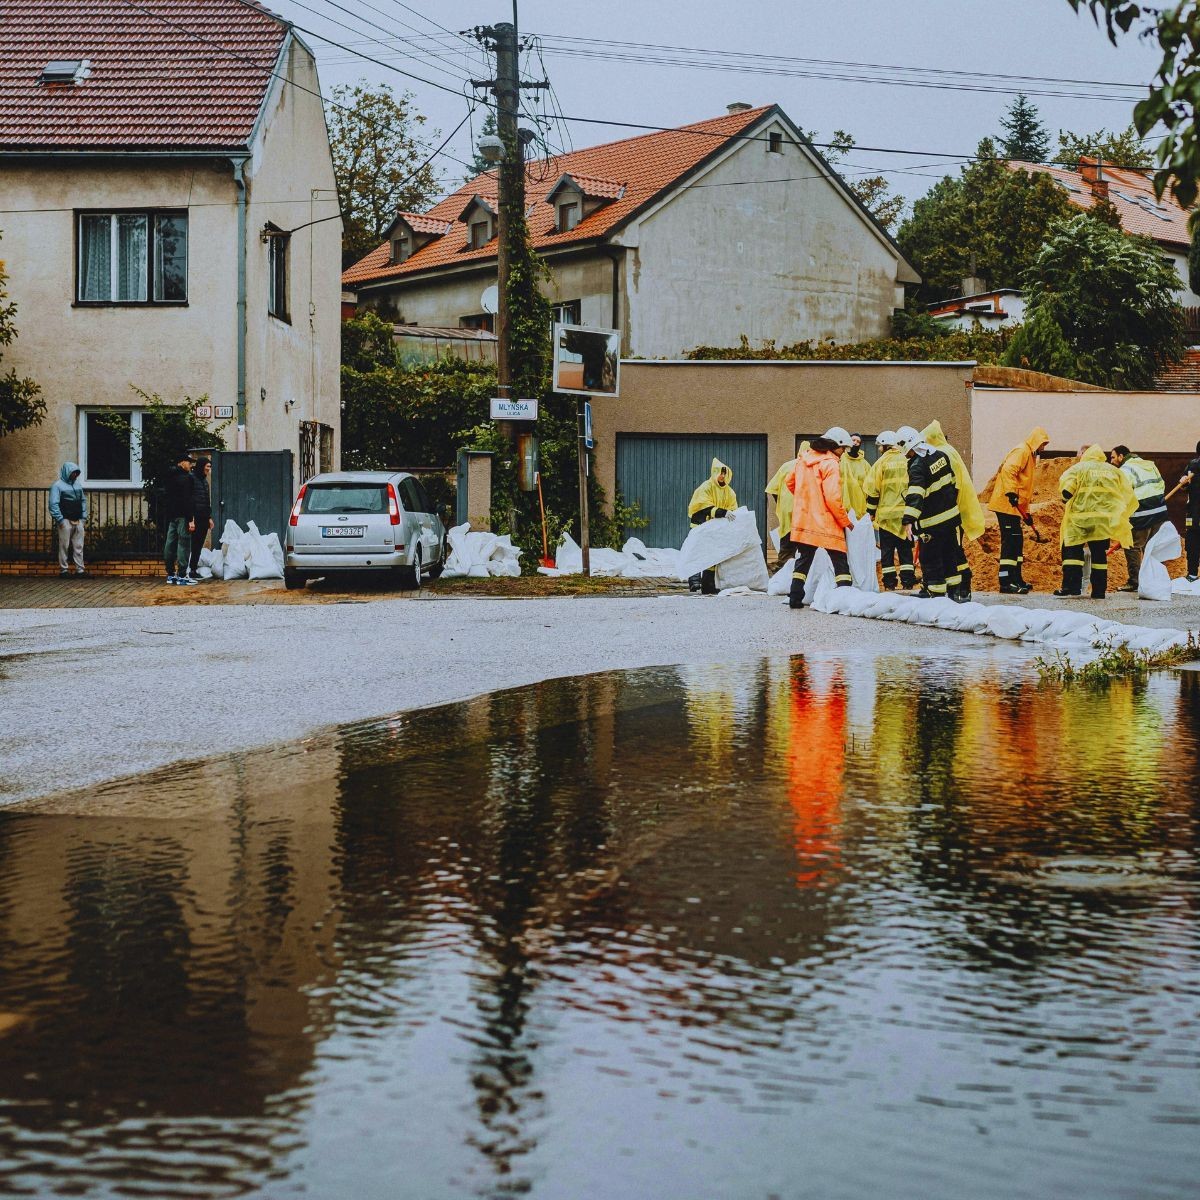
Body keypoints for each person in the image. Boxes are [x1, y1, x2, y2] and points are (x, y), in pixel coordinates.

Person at [786, 427, 855, 610]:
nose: (844, 452)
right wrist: (845, 521)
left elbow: (789, 482)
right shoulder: (830, 464)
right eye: (843, 448)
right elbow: (832, 498)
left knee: (803, 560)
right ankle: (845, 597)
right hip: (826, 522)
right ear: (835, 445)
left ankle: (795, 598)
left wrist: (806, 500)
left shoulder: (803, 459)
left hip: (805, 520)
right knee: (840, 561)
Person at [897, 425, 967, 602]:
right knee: (949, 555)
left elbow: (916, 494)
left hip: (932, 523)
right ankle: (954, 592)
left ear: (907, 446)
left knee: (930, 557)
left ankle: (935, 593)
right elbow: (952, 482)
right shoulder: (940, 455)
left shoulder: (917, 465)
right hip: (951, 519)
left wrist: (908, 520)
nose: (905, 455)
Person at [1055, 445, 1136, 599]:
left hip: (1079, 521)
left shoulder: (1079, 468)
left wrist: (1065, 499)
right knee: (1099, 556)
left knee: (1072, 554)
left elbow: (1067, 491)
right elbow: (1126, 493)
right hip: (1102, 522)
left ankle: (1071, 588)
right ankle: (1099, 591)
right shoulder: (1113, 471)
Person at [922, 420, 984, 601]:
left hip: (952, 512)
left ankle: (963, 587)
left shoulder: (944, 454)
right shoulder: (948, 451)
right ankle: (956, 588)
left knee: (954, 550)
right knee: (950, 549)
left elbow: (951, 485)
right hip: (955, 511)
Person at [988, 427, 1049, 594]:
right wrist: (1011, 492)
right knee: (1010, 542)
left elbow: (1025, 489)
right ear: (1036, 441)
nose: (1043, 448)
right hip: (1006, 505)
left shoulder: (1030, 455)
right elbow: (1008, 470)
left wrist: (1026, 512)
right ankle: (1006, 582)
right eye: (1043, 444)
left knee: (1017, 541)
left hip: (1015, 508)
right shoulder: (1022, 451)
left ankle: (1016, 578)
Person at [1110, 445, 1167, 592]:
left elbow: (1123, 495)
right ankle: (1154, 580)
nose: (1111, 461)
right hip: (1159, 511)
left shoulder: (1125, 470)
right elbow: (1161, 484)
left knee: (1132, 545)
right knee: (1152, 547)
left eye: (1113, 457)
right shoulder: (1149, 464)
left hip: (1141, 512)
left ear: (1121, 456)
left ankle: (1134, 582)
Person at [865, 431, 915, 589]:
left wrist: (871, 512)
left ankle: (889, 584)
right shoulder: (907, 460)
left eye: (880, 446)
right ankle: (908, 582)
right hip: (906, 516)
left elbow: (873, 491)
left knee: (887, 552)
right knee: (905, 550)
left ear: (885, 445)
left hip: (886, 517)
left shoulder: (881, 463)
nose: (879, 449)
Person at [687, 458, 737, 594]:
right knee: (697, 553)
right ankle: (694, 582)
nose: (722, 476)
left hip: (716, 529)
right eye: (720, 473)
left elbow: (733, 510)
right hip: (700, 526)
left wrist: (730, 515)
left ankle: (708, 585)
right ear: (714, 472)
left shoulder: (729, 492)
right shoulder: (706, 487)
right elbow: (703, 507)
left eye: (724, 473)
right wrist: (723, 512)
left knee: (712, 556)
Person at [765, 441, 811, 568]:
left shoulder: (786, 466)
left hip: (788, 510)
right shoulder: (812, 467)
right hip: (804, 511)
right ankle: (799, 571)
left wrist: (781, 503)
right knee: (804, 546)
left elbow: (772, 488)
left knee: (787, 541)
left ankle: (783, 569)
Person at [163, 452, 197, 586]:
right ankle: (182, 575)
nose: (190, 465)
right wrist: (191, 519)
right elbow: (188, 500)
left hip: (172, 515)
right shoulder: (187, 478)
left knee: (170, 544)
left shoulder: (170, 477)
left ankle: (170, 574)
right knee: (184, 544)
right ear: (182, 463)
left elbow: (167, 497)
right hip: (183, 515)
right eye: (189, 462)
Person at [49, 461, 88, 577]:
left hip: (78, 520)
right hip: (65, 520)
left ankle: (80, 570)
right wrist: (60, 520)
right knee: (64, 546)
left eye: (76, 472)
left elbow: (83, 501)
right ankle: (64, 570)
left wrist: (83, 518)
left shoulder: (77, 485)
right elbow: (53, 504)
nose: (75, 475)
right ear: (67, 472)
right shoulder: (57, 486)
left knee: (79, 546)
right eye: (73, 472)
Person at [186, 456, 214, 580]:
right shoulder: (192, 479)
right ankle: (185, 569)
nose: (209, 469)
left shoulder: (204, 482)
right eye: (207, 467)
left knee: (198, 545)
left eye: (210, 467)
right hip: (194, 518)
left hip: (203, 518)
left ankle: (193, 569)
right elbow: (189, 499)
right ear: (202, 466)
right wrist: (191, 519)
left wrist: (209, 518)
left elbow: (207, 501)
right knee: (191, 544)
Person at [1178, 440, 1200, 581]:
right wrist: (1183, 482)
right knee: (1192, 544)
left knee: (1193, 543)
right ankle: (1192, 574)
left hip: (1194, 512)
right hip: (1193, 513)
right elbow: (1183, 484)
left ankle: (1192, 573)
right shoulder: (1193, 465)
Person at [840, 433, 870, 521]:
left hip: (860, 505)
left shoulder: (864, 464)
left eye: (858, 441)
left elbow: (870, 485)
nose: (855, 443)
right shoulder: (840, 459)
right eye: (853, 440)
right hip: (842, 504)